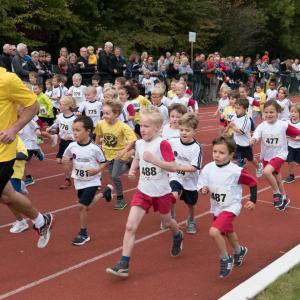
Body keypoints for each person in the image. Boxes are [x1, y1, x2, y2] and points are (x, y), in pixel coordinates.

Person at [106, 107, 184, 277]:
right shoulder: (140, 143)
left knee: (168, 221)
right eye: (141, 126)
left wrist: (155, 160)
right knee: (130, 226)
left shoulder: (163, 143)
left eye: (147, 126)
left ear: (158, 127)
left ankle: (177, 235)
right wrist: (133, 170)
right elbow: (138, 158)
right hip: (143, 191)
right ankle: (124, 263)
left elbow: (173, 166)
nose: (142, 129)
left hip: (162, 192)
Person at [0, 67, 54, 248]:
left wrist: (14, 129)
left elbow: (33, 105)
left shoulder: (7, 80)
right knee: (7, 196)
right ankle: (41, 221)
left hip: (3, 152)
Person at [198, 135, 257, 278]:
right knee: (228, 232)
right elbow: (201, 185)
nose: (217, 155)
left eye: (222, 152)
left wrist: (253, 200)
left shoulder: (235, 171)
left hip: (231, 206)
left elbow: (253, 182)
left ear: (231, 155)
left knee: (214, 232)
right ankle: (239, 251)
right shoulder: (208, 168)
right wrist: (203, 189)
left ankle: (225, 258)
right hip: (217, 206)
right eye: (215, 151)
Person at [62, 116, 113, 245]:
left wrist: (97, 170)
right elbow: (66, 156)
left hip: (93, 181)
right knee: (87, 207)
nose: (74, 133)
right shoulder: (72, 146)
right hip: (79, 181)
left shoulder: (94, 148)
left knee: (81, 206)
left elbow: (104, 163)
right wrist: (65, 160)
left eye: (78, 130)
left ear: (88, 131)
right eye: (73, 130)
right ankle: (105, 193)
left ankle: (83, 233)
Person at [250, 100, 300, 211]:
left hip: (280, 154)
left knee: (267, 172)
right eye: (266, 112)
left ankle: (276, 193)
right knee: (276, 177)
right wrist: (253, 140)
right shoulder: (262, 126)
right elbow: (256, 135)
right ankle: (284, 197)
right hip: (267, 156)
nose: (269, 115)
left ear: (277, 112)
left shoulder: (283, 125)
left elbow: (297, 132)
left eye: (271, 112)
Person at [95, 100, 137, 209]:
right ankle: (129, 165)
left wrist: (124, 151)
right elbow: (98, 136)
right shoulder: (100, 124)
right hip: (107, 154)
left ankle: (120, 199)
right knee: (113, 176)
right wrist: (95, 148)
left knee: (115, 176)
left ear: (116, 114)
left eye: (107, 113)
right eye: (103, 113)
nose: (104, 116)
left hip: (119, 155)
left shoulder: (123, 126)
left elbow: (132, 139)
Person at [168, 113, 202, 234]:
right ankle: (170, 215)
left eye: (187, 130)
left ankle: (191, 219)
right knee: (172, 196)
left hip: (190, 180)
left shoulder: (196, 148)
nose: (183, 132)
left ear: (194, 132)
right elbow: (160, 145)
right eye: (181, 130)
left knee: (191, 203)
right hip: (175, 176)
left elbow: (194, 167)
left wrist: (178, 166)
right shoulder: (172, 142)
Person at [47, 96, 77, 190]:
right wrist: (50, 127)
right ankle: (72, 164)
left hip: (72, 143)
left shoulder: (74, 119)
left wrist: (71, 136)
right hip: (63, 142)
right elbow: (57, 123)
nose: (59, 105)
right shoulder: (60, 116)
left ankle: (67, 180)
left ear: (68, 106)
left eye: (61, 104)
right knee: (59, 161)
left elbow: (78, 131)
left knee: (65, 161)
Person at [229, 98, 263, 176]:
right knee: (233, 155)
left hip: (245, 144)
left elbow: (241, 132)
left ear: (245, 109)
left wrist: (233, 127)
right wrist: (227, 130)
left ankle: (259, 166)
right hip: (236, 142)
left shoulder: (246, 120)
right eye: (235, 108)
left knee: (250, 158)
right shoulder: (235, 116)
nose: (236, 110)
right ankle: (234, 169)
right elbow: (231, 123)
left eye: (238, 108)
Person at [284, 103, 300, 183]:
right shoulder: (287, 123)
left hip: (299, 147)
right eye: (291, 111)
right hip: (290, 146)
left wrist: (296, 138)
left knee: (298, 162)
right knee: (290, 161)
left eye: (295, 112)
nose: (293, 113)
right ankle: (291, 175)